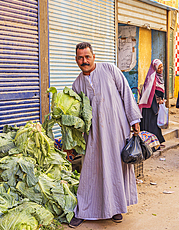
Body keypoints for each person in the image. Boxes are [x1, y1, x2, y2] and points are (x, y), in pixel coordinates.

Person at [69, 42, 142, 228]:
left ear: (94, 56)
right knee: (91, 171)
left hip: (116, 129)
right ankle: (84, 210)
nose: (84, 61)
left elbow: (126, 93)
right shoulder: (77, 84)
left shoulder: (109, 69)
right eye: (80, 58)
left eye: (87, 56)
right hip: (93, 136)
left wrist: (134, 121)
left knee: (116, 168)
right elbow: (75, 115)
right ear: (76, 59)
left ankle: (116, 208)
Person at [139, 59, 166, 146]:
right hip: (150, 106)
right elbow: (149, 93)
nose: (161, 69)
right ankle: (152, 143)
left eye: (162, 67)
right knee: (152, 125)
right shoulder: (151, 78)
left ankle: (157, 141)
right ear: (155, 68)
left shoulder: (160, 78)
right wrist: (158, 100)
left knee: (156, 124)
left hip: (156, 106)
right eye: (159, 67)